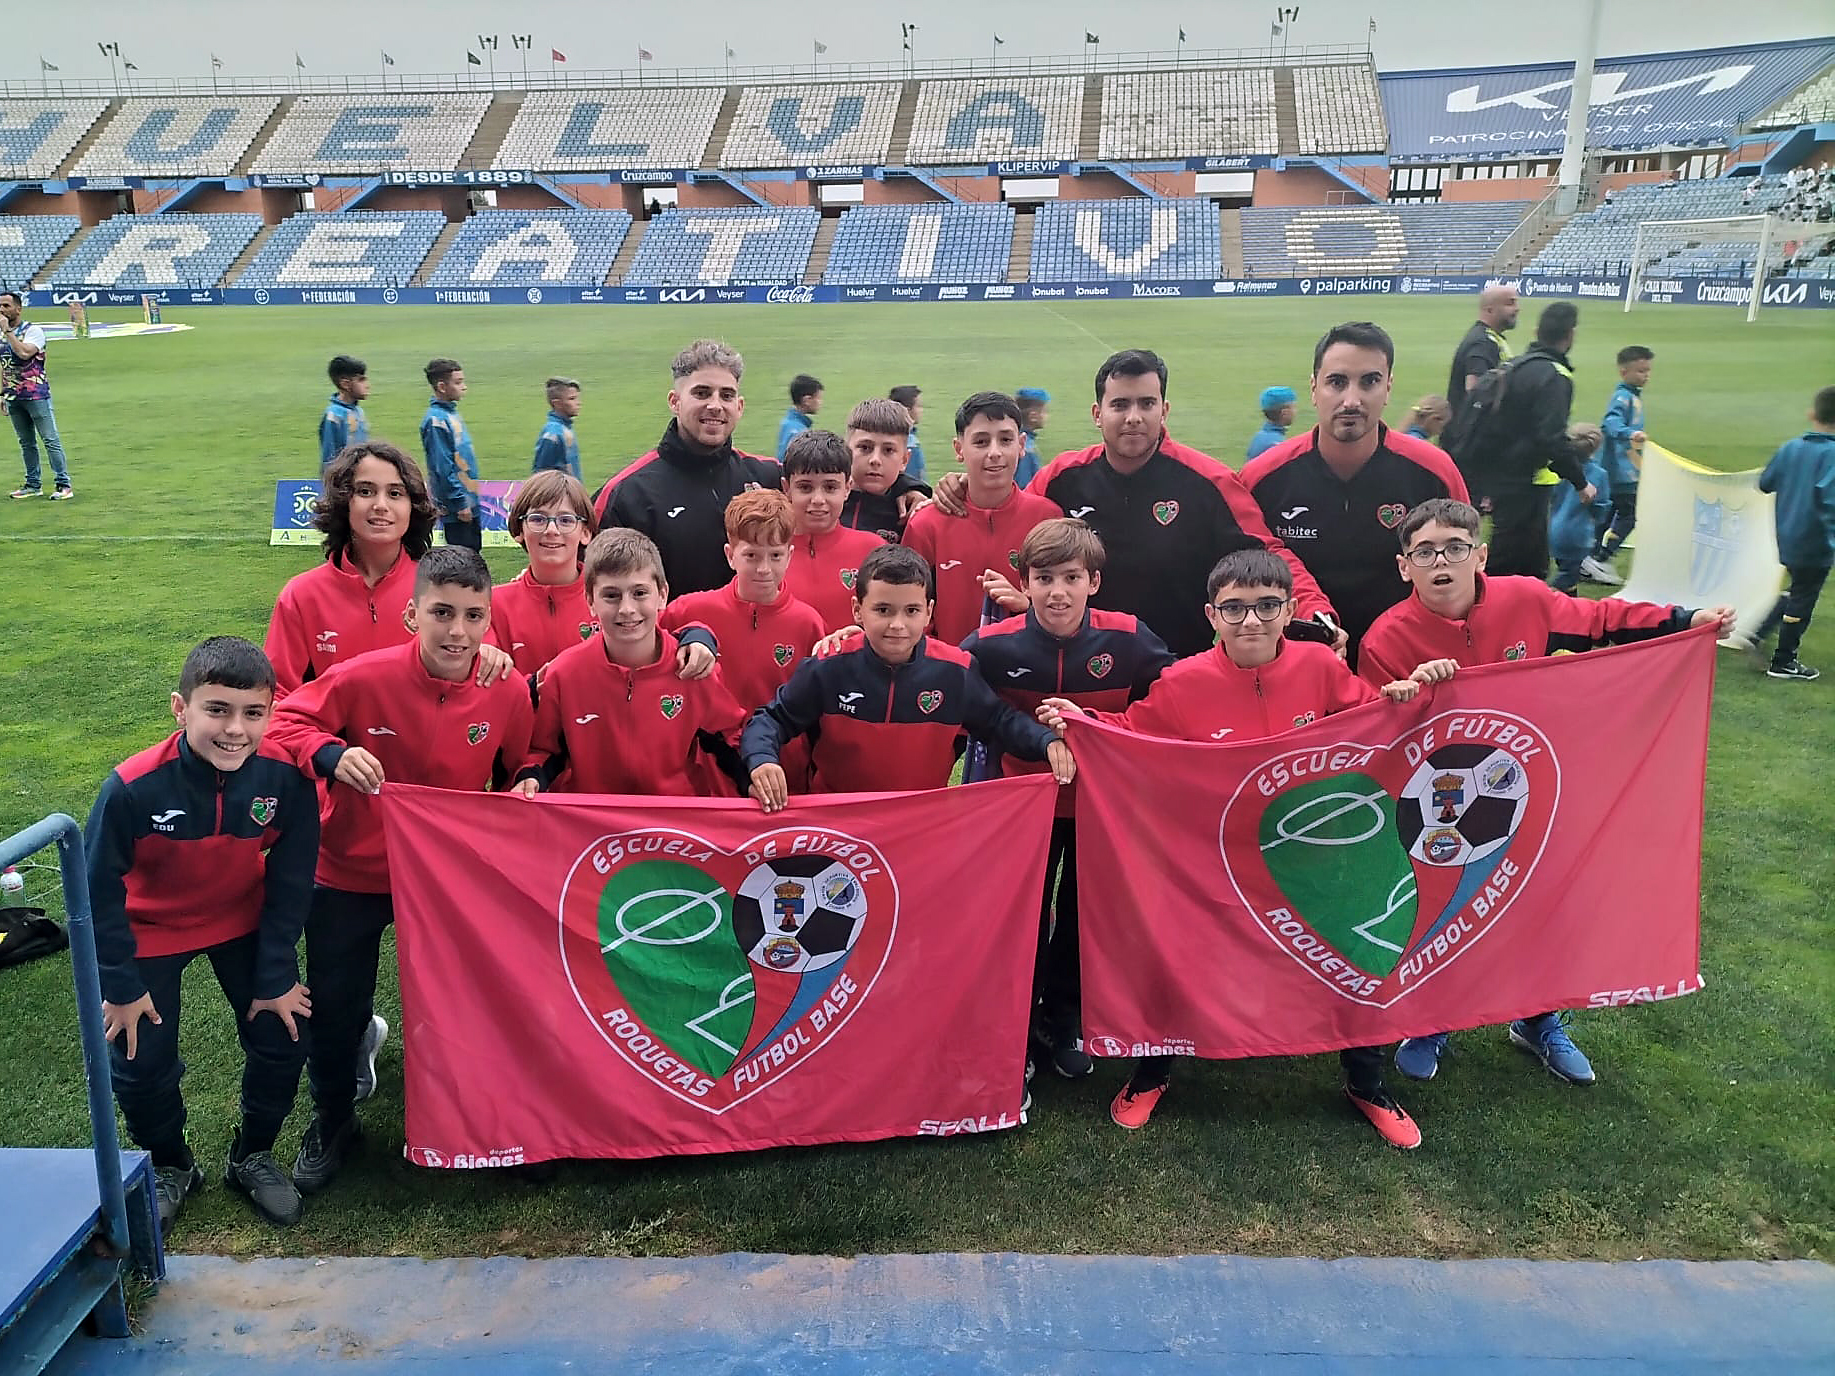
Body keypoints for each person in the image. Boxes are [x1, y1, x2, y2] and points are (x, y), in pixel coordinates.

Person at [1038, 548, 1436, 1147]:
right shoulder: (1183, 683)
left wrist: (1407, 696)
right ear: (1211, 615)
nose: (1251, 620)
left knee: (1360, 951)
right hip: (1212, 858)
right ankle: (1152, 1070)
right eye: (1235, 608)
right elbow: (1132, 734)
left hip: (1311, 855)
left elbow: (1371, 718)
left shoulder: (1319, 667)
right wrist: (1084, 720)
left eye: (1267, 606)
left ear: (1290, 610)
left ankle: (1367, 1081)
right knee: (1172, 950)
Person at [1358, 499, 1734, 1086]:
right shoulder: (1387, 637)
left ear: (1480, 555)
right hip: (1445, 806)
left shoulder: (1527, 600)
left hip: (1533, 786)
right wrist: (1408, 693)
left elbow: (1602, 620)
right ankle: (1433, 1018)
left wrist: (1685, 620)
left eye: (1455, 548)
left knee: (1542, 904)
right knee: (1449, 909)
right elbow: (1372, 735)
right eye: (1424, 552)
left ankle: (1537, 1019)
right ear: (1405, 566)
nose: (1441, 562)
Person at [266, 547, 535, 1196]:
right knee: (336, 1005)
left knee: (470, 1000)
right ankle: (333, 1120)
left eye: (473, 616)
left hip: (447, 878)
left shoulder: (506, 689)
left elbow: (525, 761)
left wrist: (528, 783)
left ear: (489, 620)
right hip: (350, 870)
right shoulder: (363, 676)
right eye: (442, 613)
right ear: (412, 615)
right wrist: (330, 752)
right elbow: (283, 721)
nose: (458, 631)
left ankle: (480, 1115)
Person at [87, 637, 319, 1230]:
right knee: (138, 1057)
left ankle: (252, 1155)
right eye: (217, 709)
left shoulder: (285, 779)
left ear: (271, 713)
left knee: (284, 1031)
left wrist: (276, 973)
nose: (235, 729)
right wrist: (120, 986)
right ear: (180, 708)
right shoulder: (132, 787)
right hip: (150, 928)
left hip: (239, 918)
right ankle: (171, 1164)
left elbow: (293, 880)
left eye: (253, 713)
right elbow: (98, 893)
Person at [935, 350, 1335, 659]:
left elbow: (1267, 553)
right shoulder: (1062, 477)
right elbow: (1010, 512)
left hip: (1174, 668)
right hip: (1078, 672)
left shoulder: (1208, 481)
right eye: (1120, 405)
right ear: (1098, 414)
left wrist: (1315, 610)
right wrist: (959, 488)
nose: (1133, 417)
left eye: (1146, 403)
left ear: (1164, 410)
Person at [961, 519, 1175, 1081]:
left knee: (1084, 915)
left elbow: (1177, 694)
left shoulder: (1128, 638)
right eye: (1044, 578)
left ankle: (1065, 1016)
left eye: (1072, 578)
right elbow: (933, 672)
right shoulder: (991, 645)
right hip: (1021, 810)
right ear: (1024, 583)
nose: (1058, 592)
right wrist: (850, 639)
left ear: (1094, 582)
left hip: (1101, 810)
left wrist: (1101, 725)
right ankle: (1019, 1021)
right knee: (1022, 918)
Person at [742, 544, 1075, 805]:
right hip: (839, 822)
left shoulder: (955, 671)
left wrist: (1045, 742)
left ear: (928, 612)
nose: (897, 625)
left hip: (918, 825)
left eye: (911, 610)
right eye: (883, 610)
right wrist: (761, 759)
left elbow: (1000, 722)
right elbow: (772, 719)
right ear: (857, 610)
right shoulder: (828, 667)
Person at [1241, 322, 1469, 660]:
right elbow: (1241, 581)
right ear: (1314, 388)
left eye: (1369, 381)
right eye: (1336, 382)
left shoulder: (1435, 473)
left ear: (1388, 388)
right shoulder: (1262, 478)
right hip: (1299, 665)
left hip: (1408, 664)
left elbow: (1466, 577)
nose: (1351, 400)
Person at [264, 442, 512, 696]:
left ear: (412, 506)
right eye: (365, 491)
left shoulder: (441, 586)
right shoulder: (302, 595)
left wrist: (490, 655)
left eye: (395, 493)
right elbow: (277, 693)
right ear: (344, 501)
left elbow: (483, 670)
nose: (380, 505)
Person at [514, 529, 749, 797]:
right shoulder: (565, 673)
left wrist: (752, 775)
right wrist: (531, 776)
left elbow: (729, 739)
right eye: (611, 596)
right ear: (590, 601)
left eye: (639, 593)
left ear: (662, 595)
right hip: (592, 816)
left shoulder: (691, 668)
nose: (627, 609)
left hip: (672, 815)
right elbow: (543, 750)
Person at [592, 339, 781, 596]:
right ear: (675, 401)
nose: (715, 405)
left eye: (726, 395)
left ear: (739, 407)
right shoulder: (628, 492)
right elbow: (590, 583)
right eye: (702, 393)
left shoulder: (768, 477)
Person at [902, 392, 1062, 647]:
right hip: (949, 667)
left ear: (1021, 445)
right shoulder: (926, 525)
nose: (995, 452)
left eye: (1005, 440)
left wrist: (1029, 608)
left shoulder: (1047, 519)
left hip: (1029, 667)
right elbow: (907, 609)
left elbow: (1066, 602)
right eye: (981, 442)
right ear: (959, 449)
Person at [661, 490, 826, 721]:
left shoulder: (808, 623)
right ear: (730, 555)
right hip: (711, 743)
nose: (764, 568)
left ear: (789, 556)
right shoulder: (688, 610)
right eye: (751, 555)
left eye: (775, 556)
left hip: (778, 744)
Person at [1467, 303, 1594, 580]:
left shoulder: (1514, 367)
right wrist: (1580, 482)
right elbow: (1551, 437)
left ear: (1537, 331)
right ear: (1571, 334)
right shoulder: (1555, 375)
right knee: (1518, 563)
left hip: (1501, 476)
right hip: (1527, 482)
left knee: (1517, 560)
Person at [1753, 384, 1835, 682]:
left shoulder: (1791, 447)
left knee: (1799, 587)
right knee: (1804, 597)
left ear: (1813, 414)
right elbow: (1830, 502)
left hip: (1787, 534)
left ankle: (1758, 633)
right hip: (1816, 541)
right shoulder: (1832, 454)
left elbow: (1765, 483)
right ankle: (1784, 661)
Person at [489, 472, 598, 678]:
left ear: (585, 533)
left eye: (565, 520)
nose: (551, 530)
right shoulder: (494, 605)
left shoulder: (610, 598)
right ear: (519, 531)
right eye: (538, 519)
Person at [778, 429, 886, 632]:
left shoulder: (873, 550)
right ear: (787, 488)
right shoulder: (768, 553)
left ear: (847, 488)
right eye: (805, 487)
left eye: (830, 487)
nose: (818, 499)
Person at [1584, 346, 1654, 585]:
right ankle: (1601, 557)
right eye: (1641, 371)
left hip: (1620, 470)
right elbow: (1610, 423)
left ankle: (1591, 556)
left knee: (1609, 512)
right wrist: (1630, 433)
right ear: (1624, 372)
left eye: (1648, 370)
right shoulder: (1623, 398)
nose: (1646, 376)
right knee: (1629, 514)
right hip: (1621, 472)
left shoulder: (1631, 396)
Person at [1444, 282, 1519, 497]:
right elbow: (1475, 390)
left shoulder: (1490, 338)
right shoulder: (1483, 343)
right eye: (1510, 303)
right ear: (1489, 309)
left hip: (1471, 443)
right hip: (1472, 447)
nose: (1517, 309)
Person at [2, 289, 73, 500]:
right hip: (13, 396)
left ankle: (64, 484)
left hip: (36, 395)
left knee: (50, 439)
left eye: (6, 306)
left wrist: (8, 332)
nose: (1, 310)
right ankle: (33, 484)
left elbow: (24, 353)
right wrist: (1, 393)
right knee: (26, 443)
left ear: (18, 309)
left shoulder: (33, 331)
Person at [841, 397, 931, 542]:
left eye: (888, 450)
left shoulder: (911, 513)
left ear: (904, 460)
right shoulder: (828, 503)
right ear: (846, 451)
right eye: (865, 447)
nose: (875, 460)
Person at [420, 358, 481, 551]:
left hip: (469, 499)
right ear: (442, 387)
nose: (464, 387)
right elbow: (442, 467)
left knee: (474, 554)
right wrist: (459, 503)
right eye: (458, 382)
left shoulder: (451, 414)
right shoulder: (436, 421)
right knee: (463, 557)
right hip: (458, 506)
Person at [1549, 424, 1612, 594]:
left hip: (1553, 529)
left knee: (1569, 575)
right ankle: (1543, 598)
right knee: (1567, 576)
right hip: (1578, 535)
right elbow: (1601, 508)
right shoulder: (1599, 474)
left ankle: (1571, 604)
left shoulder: (1559, 469)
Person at [319, 356, 370, 470]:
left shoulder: (359, 412)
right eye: (361, 380)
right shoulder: (334, 416)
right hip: (344, 476)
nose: (367, 385)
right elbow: (329, 457)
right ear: (345, 384)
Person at [532, 377, 582, 480]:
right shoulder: (553, 434)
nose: (578, 403)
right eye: (572, 399)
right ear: (557, 404)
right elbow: (541, 475)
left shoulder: (566, 427)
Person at [776, 373, 823, 459]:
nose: (820, 402)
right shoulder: (800, 433)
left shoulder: (787, 423)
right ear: (807, 400)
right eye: (818, 398)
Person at [1245, 385, 1297, 460]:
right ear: (1284, 413)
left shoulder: (1259, 437)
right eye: (1294, 407)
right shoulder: (1275, 445)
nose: (1295, 411)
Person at [1014, 387, 1050, 488]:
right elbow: (1024, 487)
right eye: (1045, 412)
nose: (1047, 416)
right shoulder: (1026, 449)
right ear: (1033, 416)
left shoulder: (1014, 438)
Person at [890, 384, 925, 482]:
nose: (921, 410)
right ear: (907, 411)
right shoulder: (910, 444)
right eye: (918, 406)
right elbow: (913, 480)